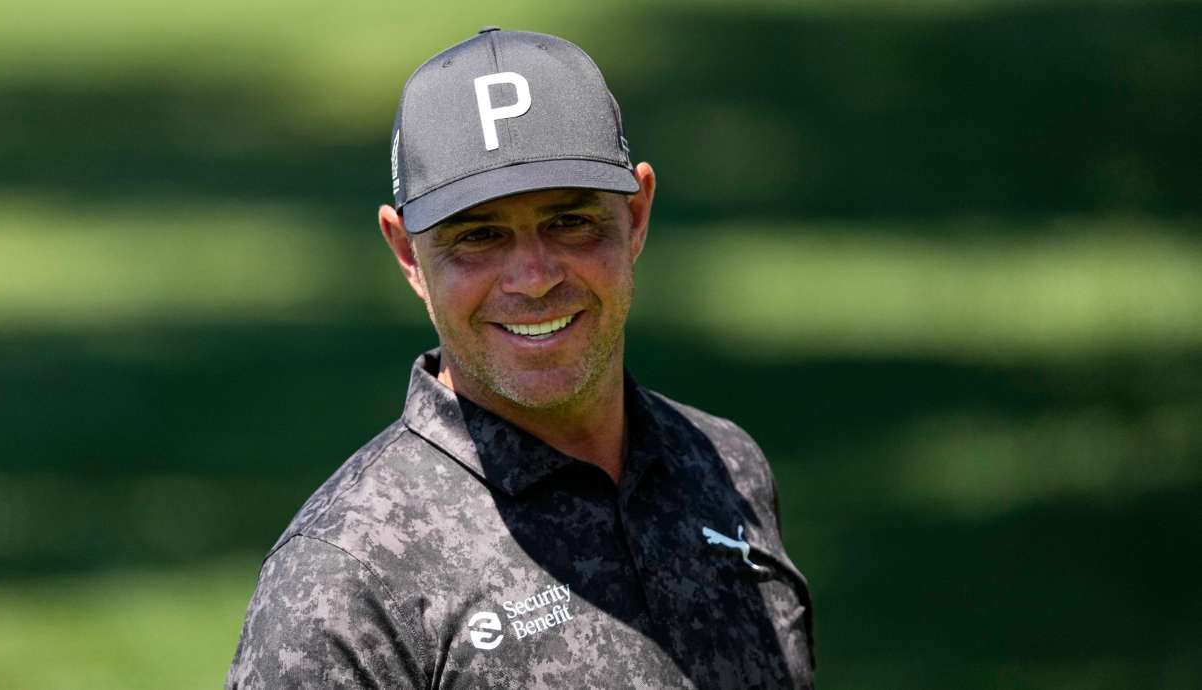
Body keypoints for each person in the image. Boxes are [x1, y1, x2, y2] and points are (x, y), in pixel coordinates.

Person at [226, 27, 814, 689]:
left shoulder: (724, 467)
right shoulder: (346, 579)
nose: (533, 279)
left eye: (570, 221)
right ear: (407, 253)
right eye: (479, 235)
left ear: (636, 215)